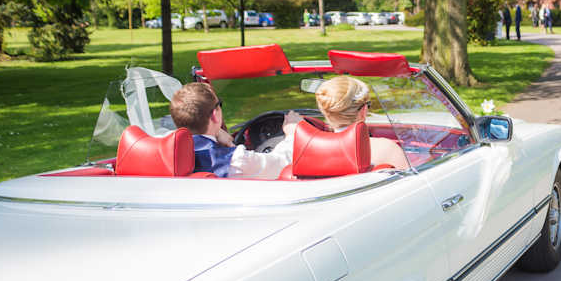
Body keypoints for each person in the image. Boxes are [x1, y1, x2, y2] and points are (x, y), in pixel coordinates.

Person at [169, 82, 299, 179]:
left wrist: (216, 132)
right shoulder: (236, 160)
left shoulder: (165, 151)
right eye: (219, 104)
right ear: (215, 115)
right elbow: (280, 163)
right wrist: (292, 133)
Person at [315, 76, 410, 170]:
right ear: (363, 111)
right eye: (368, 105)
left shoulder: (312, 151)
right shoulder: (387, 148)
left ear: (325, 113)